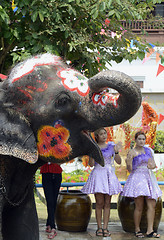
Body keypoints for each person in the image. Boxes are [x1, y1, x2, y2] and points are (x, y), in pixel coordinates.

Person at [81, 127, 122, 237]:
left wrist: (117, 152)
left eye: (105, 133)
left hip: (109, 174)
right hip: (98, 174)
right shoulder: (94, 147)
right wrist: (92, 153)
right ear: (97, 136)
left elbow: (119, 162)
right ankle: (99, 227)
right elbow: (91, 164)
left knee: (107, 203)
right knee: (99, 203)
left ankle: (105, 227)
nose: (104, 135)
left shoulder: (112, 146)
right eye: (101, 134)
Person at [122, 131, 162, 238]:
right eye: (139, 139)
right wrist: (128, 162)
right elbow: (130, 170)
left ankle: (150, 230)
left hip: (148, 177)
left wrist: (151, 166)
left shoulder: (149, 151)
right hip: (137, 178)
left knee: (152, 204)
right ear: (135, 140)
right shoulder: (132, 152)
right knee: (139, 206)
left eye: (143, 139)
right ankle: (137, 229)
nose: (141, 141)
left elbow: (153, 165)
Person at [40, 162, 63, 239]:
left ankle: (49, 223)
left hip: (57, 173)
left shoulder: (59, 149)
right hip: (46, 173)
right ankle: (53, 227)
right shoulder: (43, 149)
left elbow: (65, 158)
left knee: (54, 201)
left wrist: (59, 161)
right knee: (50, 201)